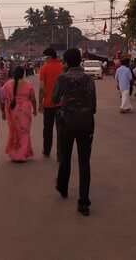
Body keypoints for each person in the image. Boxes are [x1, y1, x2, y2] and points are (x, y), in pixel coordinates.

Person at [53, 48, 97, 216]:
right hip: (86, 122)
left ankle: (63, 186)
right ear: (80, 60)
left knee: (65, 156)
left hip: (66, 122)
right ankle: (83, 201)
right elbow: (93, 104)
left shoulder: (62, 78)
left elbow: (54, 98)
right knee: (84, 162)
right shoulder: (88, 79)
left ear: (66, 62)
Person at [1, 67, 37, 162]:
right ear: (23, 74)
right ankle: (22, 154)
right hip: (25, 110)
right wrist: (35, 109)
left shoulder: (8, 84)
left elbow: (2, 98)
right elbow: (33, 99)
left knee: (14, 131)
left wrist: (3, 111)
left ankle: (15, 154)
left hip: (12, 110)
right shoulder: (28, 84)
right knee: (24, 132)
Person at [38, 48, 64, 159]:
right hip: (61, 104)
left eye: (45, 57)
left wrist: (40, 103)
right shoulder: (63, 67)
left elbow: (42, 88)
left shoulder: (44, 68)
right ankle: (60, 153)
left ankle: (47, 150)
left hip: (48, 104)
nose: (44, 59)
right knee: (61, 129)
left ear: (48, 57)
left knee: (47, 129)